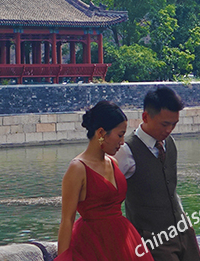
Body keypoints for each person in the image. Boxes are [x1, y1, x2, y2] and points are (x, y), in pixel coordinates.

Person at [55, 101, 154, 261]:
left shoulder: (113, 162)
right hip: (93, 243)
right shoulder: (78, 168)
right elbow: (67, 220)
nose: (122, 142)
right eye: (119, 135)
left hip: (124, 239)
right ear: (101, 133)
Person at [114, 86, 200, 261]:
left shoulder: (170, 143)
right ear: (145, 117)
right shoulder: (125, 151)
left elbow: (170, 189)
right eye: (165, 124)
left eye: (174, 124)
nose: (169, 129)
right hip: (152, 240)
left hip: (184, 233)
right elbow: (109, 197)